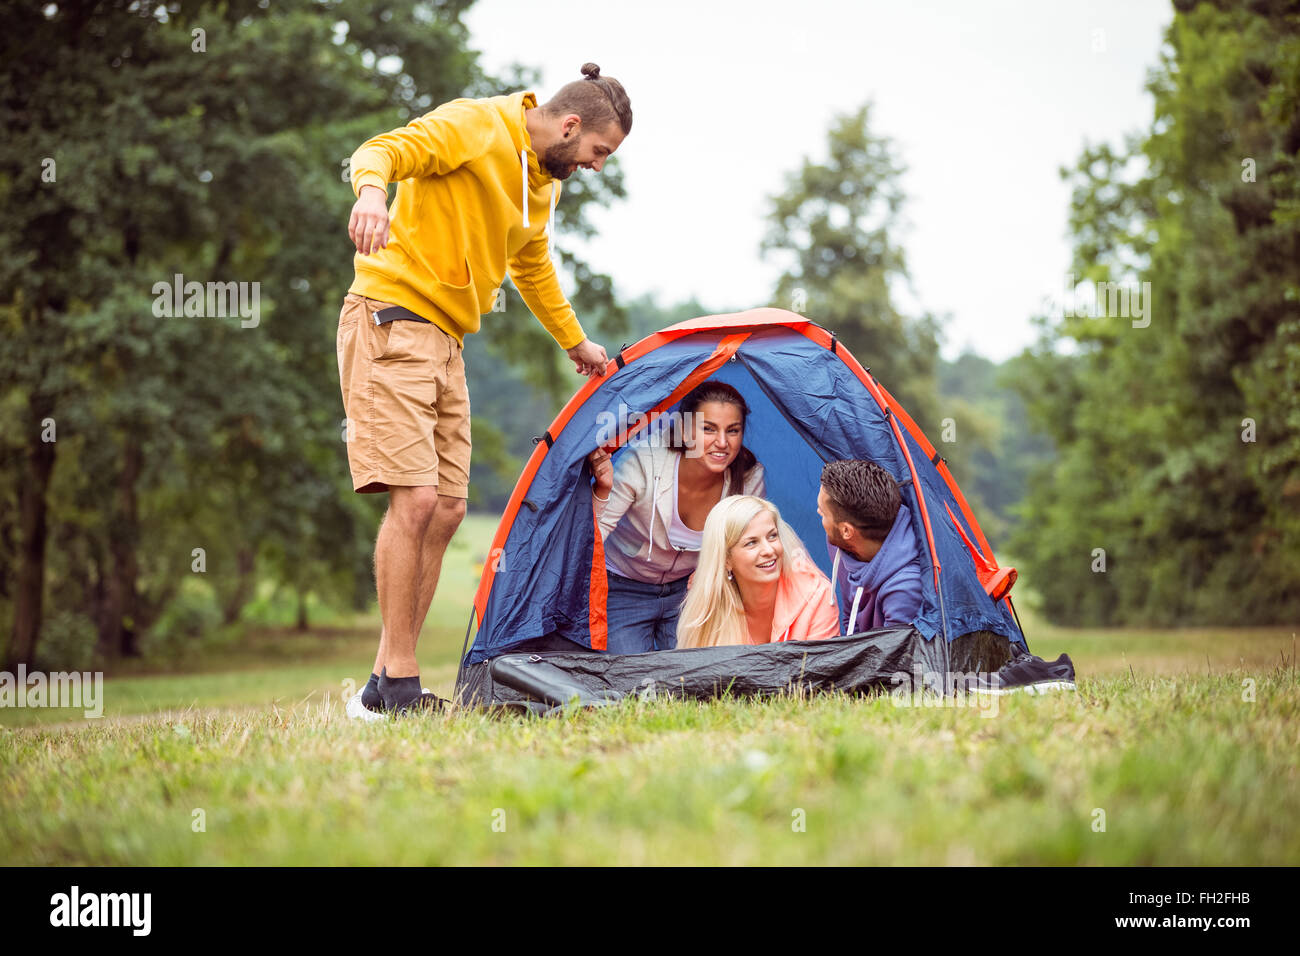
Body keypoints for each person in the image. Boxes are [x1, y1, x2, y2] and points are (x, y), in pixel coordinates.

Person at [339, 64, 632, 717]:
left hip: (447, 340)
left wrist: (574, 341)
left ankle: (383, 688)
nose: (597, 166)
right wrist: (369, 195)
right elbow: (381, 150)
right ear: (570, 125)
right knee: (412, 502)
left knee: (444, 511)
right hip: (391, 317)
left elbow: (532, 265)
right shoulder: (476, 125)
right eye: (598, 152)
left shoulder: (540, 186)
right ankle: (400, 688)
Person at [587, 382, 765, 653]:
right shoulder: (644, 462)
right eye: (708, 429)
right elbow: (593, 535)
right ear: (683, 430)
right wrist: (602, 490)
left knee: (692, 680)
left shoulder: (749, 478)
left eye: (733, 431)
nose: (722, 442)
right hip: (624, 586)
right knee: (630, 680)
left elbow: (749, 546)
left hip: (691, 592)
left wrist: (712, 574)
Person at [676, 495, 840, 648]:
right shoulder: (709, 607)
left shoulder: (817, 594)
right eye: (751, 543)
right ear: (726, 560)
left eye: (772, 536)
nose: (769, 550)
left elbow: (821, 673)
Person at [817, 459, 923, 635]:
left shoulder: (904, 589)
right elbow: (850, 616)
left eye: (822, 511)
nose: (818, 512)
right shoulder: (841, 548)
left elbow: (895, 657)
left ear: (846, 531)